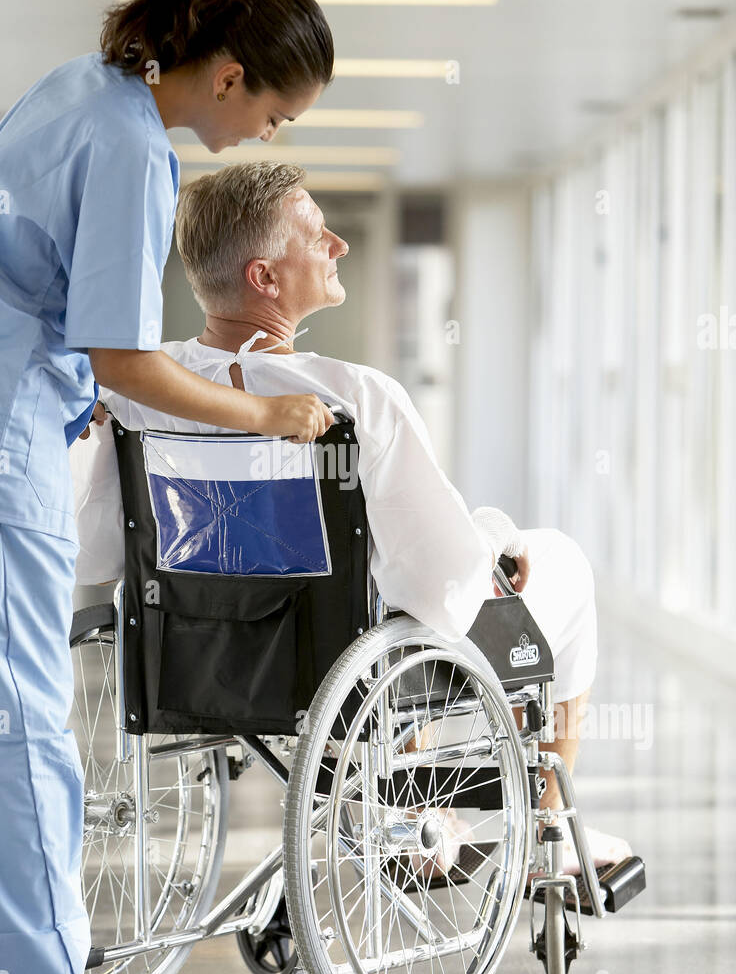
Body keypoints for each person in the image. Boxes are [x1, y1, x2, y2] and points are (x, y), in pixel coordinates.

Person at [0, 0, 336, 974]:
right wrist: (268, 415)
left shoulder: (71, 91)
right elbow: (127, 356)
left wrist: (72, 374)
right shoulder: (136, 147)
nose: (262, 137)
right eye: (272, 118)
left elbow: (30, 284)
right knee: (18, 733)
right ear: (228, 76)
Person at [72, 160, 634, 880]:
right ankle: (548, 837)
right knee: (560, 566)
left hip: (189, 658)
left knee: (398, 612)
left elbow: (96, 556)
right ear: (264, 278)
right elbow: (447, 590)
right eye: (316, 233)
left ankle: (417, 817)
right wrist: (494, 539)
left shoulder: (139, 396)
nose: (337, 245)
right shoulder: (354, 397)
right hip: (339, 666)